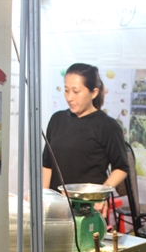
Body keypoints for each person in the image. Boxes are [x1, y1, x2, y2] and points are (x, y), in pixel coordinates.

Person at [42, 63, 129, 217]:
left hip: (88, 209)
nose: (69, 97)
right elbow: (47, 164)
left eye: (76, 92)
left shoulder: (107, 126)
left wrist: (101, 195)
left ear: (94, 92)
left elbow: (121, 168)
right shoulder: (57, 119)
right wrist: (43, 198)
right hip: (57, 207)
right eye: (66, 90)